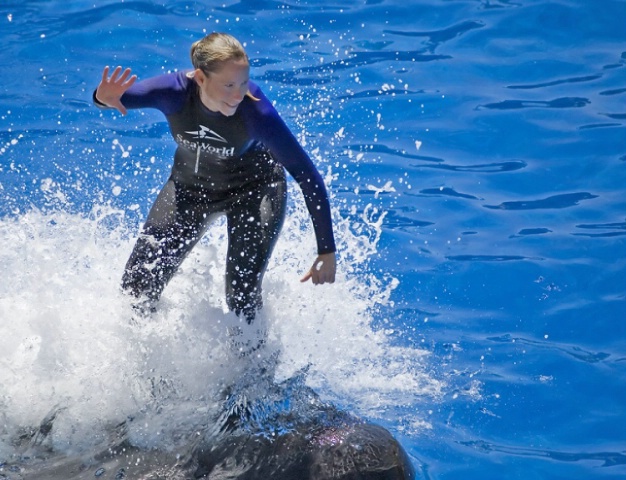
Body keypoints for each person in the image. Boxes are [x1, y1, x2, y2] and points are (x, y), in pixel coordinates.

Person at [93, 32, 336, 322]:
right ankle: (140, 363)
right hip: (189, 189)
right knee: (137, 285)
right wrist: (101, 97)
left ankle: (256, 367)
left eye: (244, 82)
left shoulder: (256, 113)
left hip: (254, 192)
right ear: (200, 78)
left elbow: (307, 176)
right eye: (229, 84)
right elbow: (111, 99)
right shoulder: (173, 92)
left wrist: (326, 251)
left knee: (241, 296)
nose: (238, 94)